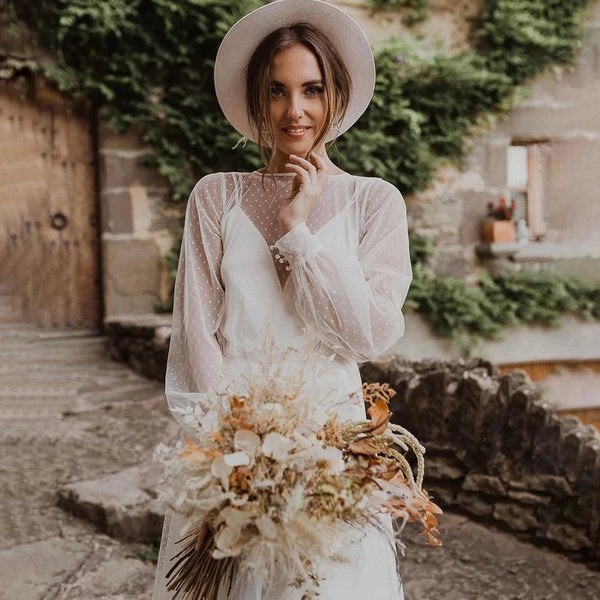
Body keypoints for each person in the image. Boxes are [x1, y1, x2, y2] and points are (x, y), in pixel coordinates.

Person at [152, 1, 412, 598]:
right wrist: (232, 459)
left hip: (335, 454)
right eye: (277, 90)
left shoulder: (375, 202)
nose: (295, 111)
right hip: (232, 448)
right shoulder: (214, 198)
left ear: (336, 96)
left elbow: (367, 334)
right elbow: (196, 336)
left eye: (312, 89)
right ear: (255, 99)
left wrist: (299, 232)